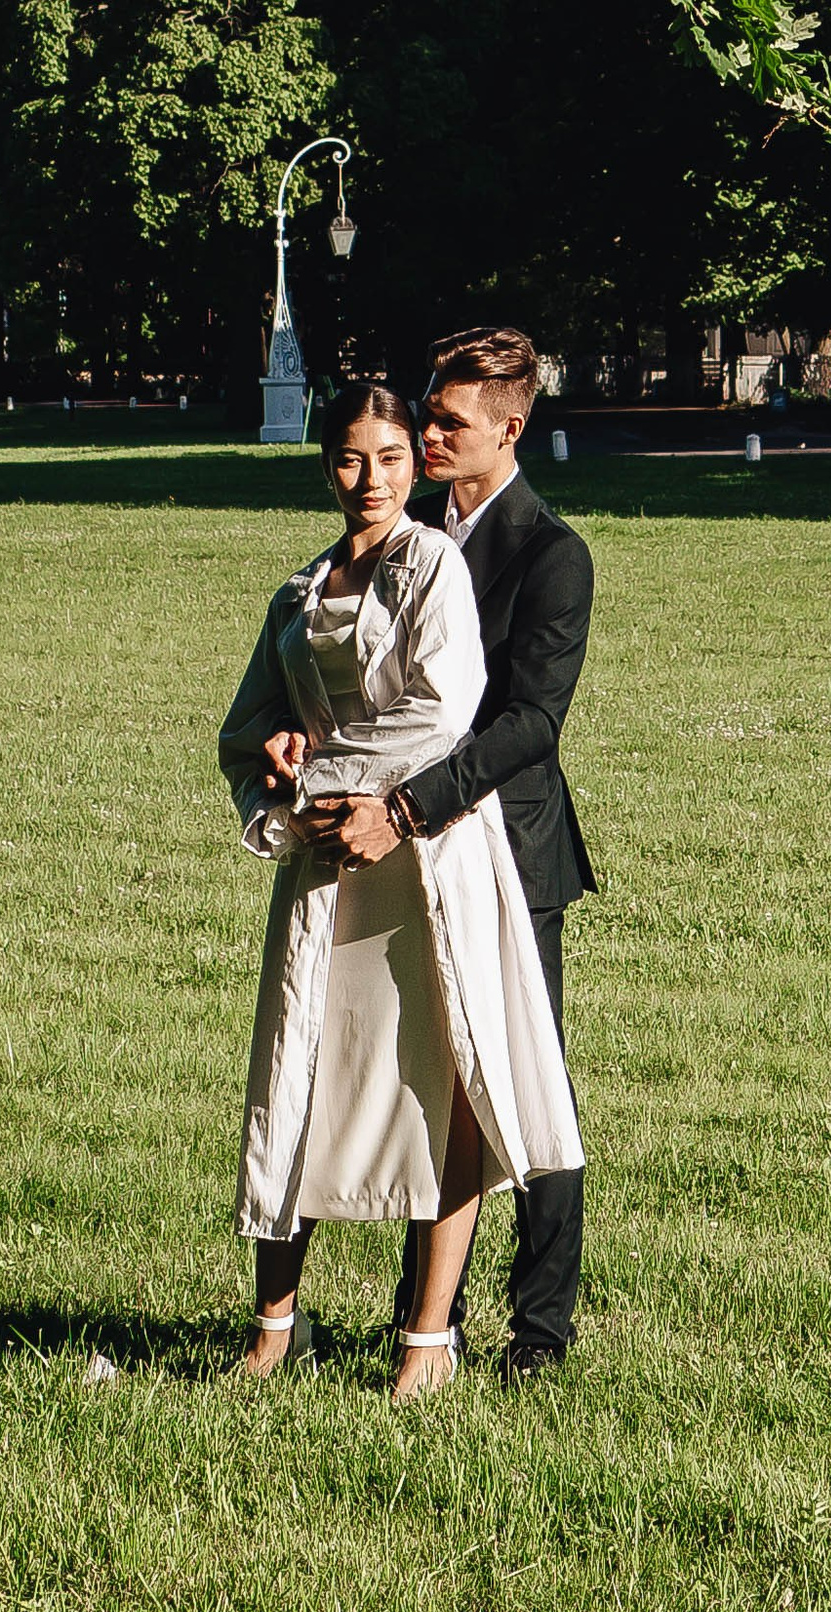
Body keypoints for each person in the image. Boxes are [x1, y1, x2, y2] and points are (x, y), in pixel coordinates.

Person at [219, 376, 581, 1403]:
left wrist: (330, 775)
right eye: (351, 456)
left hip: (426, 853)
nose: (373, 473)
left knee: (445, 1083)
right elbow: (244, 732)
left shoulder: (436, 564)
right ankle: (273, 1329)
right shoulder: (298, 589)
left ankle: (434, 1339)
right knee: (299, 1075)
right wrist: (283, 792)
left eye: (391, 455)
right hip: (326, 861)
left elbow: (449, 710)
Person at [304, 324, 595, 1383]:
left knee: (521, 1086)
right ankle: (427, 1320)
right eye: (425, 414)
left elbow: (530, 724)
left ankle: (541, 1332)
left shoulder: (551, 554)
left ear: (509, 429)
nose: (424, 435)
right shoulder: (402, 533)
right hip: (394, 847)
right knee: (423, 1081)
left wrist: (411, 805)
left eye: (447, 422)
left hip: (509, 854)